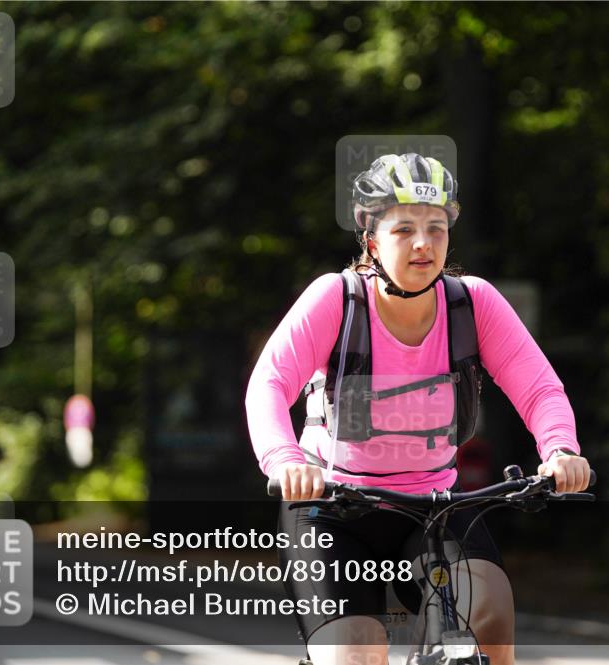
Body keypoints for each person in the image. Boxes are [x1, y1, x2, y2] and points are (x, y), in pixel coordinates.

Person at [246, 153, 590, 665]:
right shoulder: (336, 300)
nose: (423, 243)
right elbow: (269, 384)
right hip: (332, 507)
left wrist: (560, 449)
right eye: (404, 229)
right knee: (355, 652)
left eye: (436, 228)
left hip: (434, 506)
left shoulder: (472, 303)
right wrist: (285, 461)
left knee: (490, 612)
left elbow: (539, 388)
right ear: (372, 240)